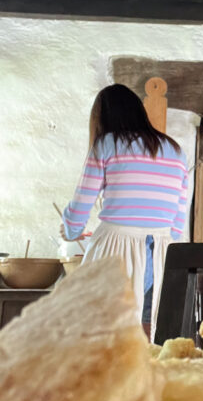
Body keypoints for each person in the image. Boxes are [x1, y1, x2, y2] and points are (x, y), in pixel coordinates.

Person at [62, 84, 189, 331]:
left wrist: (69, 229)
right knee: (148, 328)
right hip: (161, 252)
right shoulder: (176, 151)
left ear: (104, 117)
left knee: (102, 330)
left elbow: (80, 207)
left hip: (115, 248)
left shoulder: (106, 144)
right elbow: (177, 221)